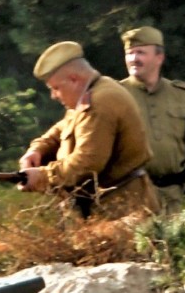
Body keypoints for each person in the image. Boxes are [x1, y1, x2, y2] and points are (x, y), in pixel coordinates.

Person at [18, 41, 159, 219]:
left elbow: (86, 163)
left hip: (121, 214)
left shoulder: (99, 103)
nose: (53, 96)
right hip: (110, 209)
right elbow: (64, 128)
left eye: (56, 88)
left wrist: (42, 177)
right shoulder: (95, 90)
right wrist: (37, 149)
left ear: (74, 79)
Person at [119, 26, 185, 214]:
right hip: (131, 199)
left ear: (159, 57)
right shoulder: (115, 95)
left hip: (173, 198)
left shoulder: (182, 95)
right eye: (130, 53)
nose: (134, 58)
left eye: (141, 52)